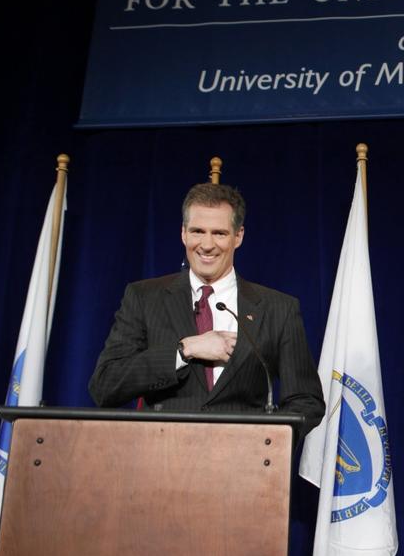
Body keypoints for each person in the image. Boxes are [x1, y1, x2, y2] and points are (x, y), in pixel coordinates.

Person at [89, 183, 325, 434]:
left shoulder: (279, 308)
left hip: (242, 465)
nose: (207, 244)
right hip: (162, 461)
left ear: (238, 236)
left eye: (220, 233)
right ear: (183, 234)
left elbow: (306, 401)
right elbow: (105, 386)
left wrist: (265, 443)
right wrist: (184, 350)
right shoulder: (144, 298)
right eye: (198, 231)